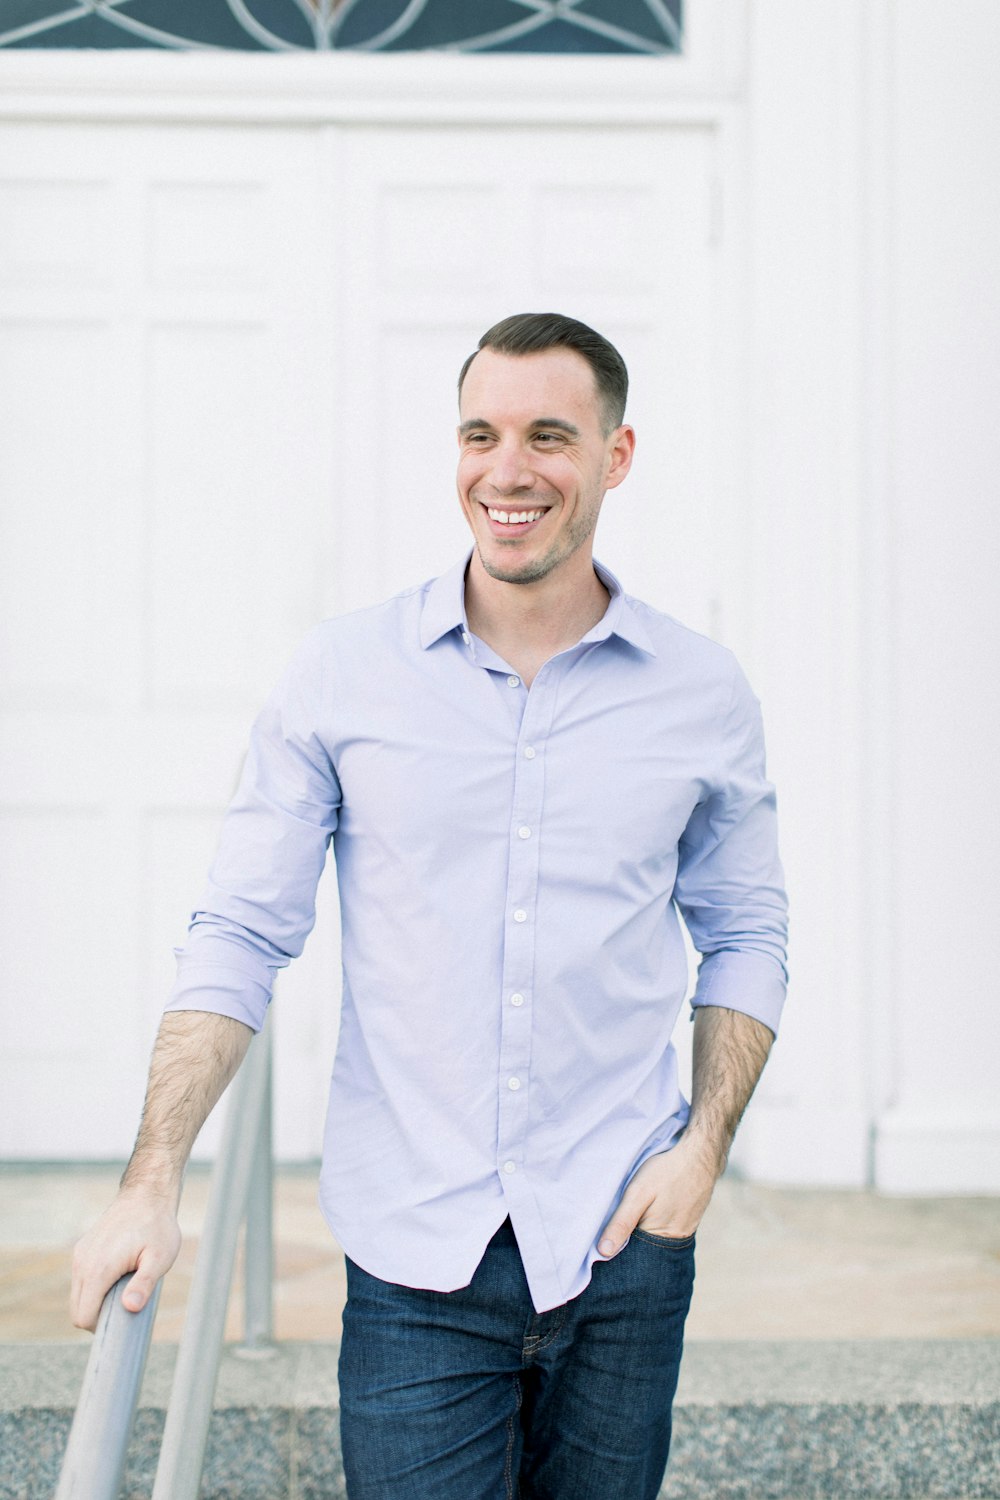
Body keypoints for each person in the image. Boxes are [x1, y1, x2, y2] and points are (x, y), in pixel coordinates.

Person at [71, 312, 787, 1498]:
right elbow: (241, 936)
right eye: (480, 433)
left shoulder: (701, 694)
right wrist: (151, 1182)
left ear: (614, 456)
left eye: (548, 435)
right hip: (415, 1268)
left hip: (624, 1245)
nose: (506, 470)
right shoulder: (344, 676)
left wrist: (701, 1151)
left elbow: (746, 932)